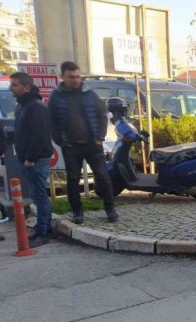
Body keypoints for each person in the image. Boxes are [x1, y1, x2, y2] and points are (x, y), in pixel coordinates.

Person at [48, 61, 117, 224]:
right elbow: (51, 121)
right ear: (63, 77)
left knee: (103, 177)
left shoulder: (89, 94)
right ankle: (77, 212)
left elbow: (102, 115)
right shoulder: (56, 97)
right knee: (73, 180)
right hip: (70, 146)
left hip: (93, 145)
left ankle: (110, 209)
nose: (75, 80)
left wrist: (100, 137)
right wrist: (61, 141)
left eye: (78, 76)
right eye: (71, 77)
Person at [9, 72, 54, 247]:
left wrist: (30, 158)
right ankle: (45, 227)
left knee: (39, 195)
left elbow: (39, 136)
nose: (11, 88)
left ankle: (42, 232)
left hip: (35, 159)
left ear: (26, 87)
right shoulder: (22, 106)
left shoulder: (36, 107)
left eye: (15, 85)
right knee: (38, 194)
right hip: (27, 158)